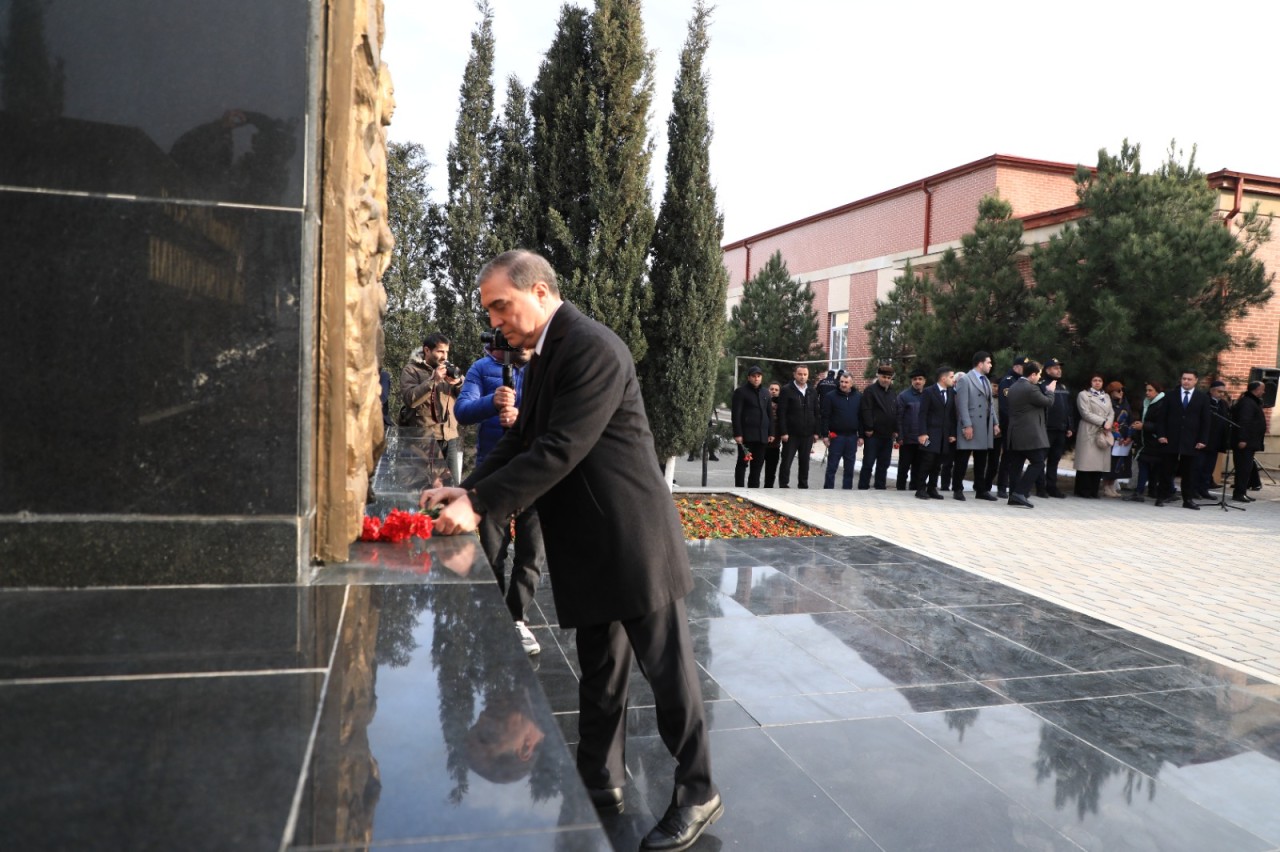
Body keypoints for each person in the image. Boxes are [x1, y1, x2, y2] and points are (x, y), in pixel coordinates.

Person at [421, 250, 721, 851]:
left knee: (669, 674)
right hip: (590, 542)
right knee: (601, 674)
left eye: (500, 305)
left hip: (632, 539)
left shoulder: (591, 347)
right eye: (489, 310)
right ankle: (601, 778)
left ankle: (697, 789)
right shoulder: (545, 353)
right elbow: (523, 439)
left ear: (538, 291)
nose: (495, 320)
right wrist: (470, 487)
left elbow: (560, 448)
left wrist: (479, 507)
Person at [455, 341, 544, 655]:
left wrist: (523, 420)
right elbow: (462, 412)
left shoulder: (543, 368)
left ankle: (517, 619)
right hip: (492, 477)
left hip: (535, 475)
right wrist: (492, 402)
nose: (520, 343)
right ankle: (493, 618)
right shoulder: (482, 368)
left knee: (531, 554)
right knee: (493, 553)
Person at [400, 332, 464, 488]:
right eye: (440, 351)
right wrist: (432, 381)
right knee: (430, 488)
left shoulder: (450, 369)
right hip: (425, 439)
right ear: (427, 350)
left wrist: (458, 383)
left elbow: (467, 396)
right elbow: (410, 399)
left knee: (453, 486)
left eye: (447, 352)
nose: (444, 356)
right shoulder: (411, 370)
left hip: (450, 437)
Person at [1004, 359, 1054, 508]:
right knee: (1038, 462)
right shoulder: (1030, 388)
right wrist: (1050, 391)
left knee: (1016, 465)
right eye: (1039, 375)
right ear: (1032, 375)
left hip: (1015, 433)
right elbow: (1047, 402)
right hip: (1029, 434)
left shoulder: (1014, 386)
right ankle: (1020, 493)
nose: (1039, 378)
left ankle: (1013, 495)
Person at [1161, 369, 1211, 510]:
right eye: (1184, 379)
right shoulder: (1171, 396)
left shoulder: (1202, 398)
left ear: (1196, 381)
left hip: (1191, 441)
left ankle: (1187, 500)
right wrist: (1161, 435)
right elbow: (1162, 418)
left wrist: (1203, 439)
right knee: (1166, 470)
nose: (1186, 381)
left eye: (1189, 379)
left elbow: (1206, 421)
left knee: (1188, 472)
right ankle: (1162, 496)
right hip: (1171, 439)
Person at [952, 351, 999, 501]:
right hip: (971, 424)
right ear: (980, 363)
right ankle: (957, 489)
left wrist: (995, 423)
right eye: (988, 362)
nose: (990, 365)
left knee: (981, 460)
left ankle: (981, 490)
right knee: (962, 459)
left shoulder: (985, 380)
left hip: (984, 425)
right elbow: (962, 405)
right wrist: (967, 425)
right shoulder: (965, 379)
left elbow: (990, 405)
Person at [915, 366, 956, 500]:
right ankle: (920, 488)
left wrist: (951, 433)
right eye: (951, 377)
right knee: (927, 461)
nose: (953, 379)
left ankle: (932, 488)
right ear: (943, 378)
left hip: (943, 436)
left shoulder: (950, 392)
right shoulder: (928, 392)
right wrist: (922, 433)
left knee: (938, 463)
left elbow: (951, 415)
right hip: (929, 435)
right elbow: (923, 414)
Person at [1129, 381, 1173, 505]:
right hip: (1146, 440)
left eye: (1150, 390)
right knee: (1145, 465)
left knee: (1152, 467)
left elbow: (1161, 424)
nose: (1147, 393)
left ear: (1157, 392)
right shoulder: (1147, 403)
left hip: (1156, 440)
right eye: (1146, 390)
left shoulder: (1162, 403)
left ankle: (1145, 491)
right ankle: (1143, 491)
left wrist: (1144, 426)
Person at [1036, 358, 1074, 498]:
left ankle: (1051, 487)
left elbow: (1068, 409)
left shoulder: (1062, 387)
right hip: (1046, 429)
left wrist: (1070, 426)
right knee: (1040, 459)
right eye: (1055, 367)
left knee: (1055, 459)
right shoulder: (1042, 385)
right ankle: (1040, 488)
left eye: (1059, 367)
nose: (1059, 370)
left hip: (1061, 429)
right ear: (1047, 370)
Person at [778, 364, 821, 488]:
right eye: (800, 374)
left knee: (804, 462)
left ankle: (803, 485)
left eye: (805, 374)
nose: (802, 377)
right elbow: (782, 412)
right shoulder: (787, 390)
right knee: (786, 461)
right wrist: (784, 431)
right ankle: (783, 484)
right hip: (791, 434)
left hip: (807, 434)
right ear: (794, 375)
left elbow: (817, 412)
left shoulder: (812, 390)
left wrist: (816, 432)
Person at [1073, 373, 1115, 499]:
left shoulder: (1106, 396)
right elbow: (1085, 413)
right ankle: (1083, 490)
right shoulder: (1084, 395)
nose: (1097, 382)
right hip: (1089, 430)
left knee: (1099, 463)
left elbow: (1111, 412)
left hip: (1103, 431)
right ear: (1090, 382)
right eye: (1095, 380)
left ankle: (1094, 490)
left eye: (1100, 380)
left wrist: (1108, 423)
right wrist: (1102, 422)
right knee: (1086, 462)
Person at [858, 364, 898, 490]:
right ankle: (863, 486)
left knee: (884, 462)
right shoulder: (870, 391)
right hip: (873, 433)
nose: (886, 380)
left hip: (888, 434)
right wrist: (868, 428)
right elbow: (866, 410)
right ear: (878, 376)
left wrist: (896, 429)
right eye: (883, 377)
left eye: (888, 377)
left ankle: (880, 486)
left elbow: (895, 411)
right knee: (869, 462)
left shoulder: (892, 392)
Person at [820, 372, 863, 489]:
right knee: (832, 466)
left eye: (846, 382)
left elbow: (861, 417)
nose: (843, 384)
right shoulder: (830, 396)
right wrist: (824, 435)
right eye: (842, 382)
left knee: (849, 467)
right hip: (836, 437)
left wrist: (861, 436)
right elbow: (825, 417)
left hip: (852, 437)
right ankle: (828, 490)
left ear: (851, 383)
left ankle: (847, 491)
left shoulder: (858, 397)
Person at [731, 366, 772, 487]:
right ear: (749, 377)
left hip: (762, 436)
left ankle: (754, 489)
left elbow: (769, 414)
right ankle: (739, 488)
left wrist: (771, 433)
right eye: (754, 376)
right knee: (743, 463)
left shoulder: (766, 393)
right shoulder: (741, 392)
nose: (756, 379)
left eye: (758, 376)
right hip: (746, 436)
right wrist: (738, 433)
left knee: (757, 464)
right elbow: (736, 414)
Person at [995, 355, 1027, 498]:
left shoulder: (1023, 382)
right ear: (1016, 367)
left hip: (1021, 426)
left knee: (1018, 458)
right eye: (1023, 367)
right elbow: (1005, 407)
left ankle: (1015, 487)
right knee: (1007, 457)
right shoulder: (1008, 381)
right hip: (1010, 425)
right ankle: (1002, 486)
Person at [1231, 379, 1267, 503]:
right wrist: (1242, 439)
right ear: (1256, 390)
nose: (1264, 392)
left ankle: (1242, 492)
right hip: (1245, 442)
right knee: (1243, 468)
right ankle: (1239, 493)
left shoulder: (1252, 402)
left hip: (1250, 442)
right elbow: (1244, 422)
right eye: (1262, 389)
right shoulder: (1247, 403)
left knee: (1246, 468)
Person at [1197, 380, 1231, 496]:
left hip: (1216, 441)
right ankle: (1194, 490)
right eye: (1219, 391)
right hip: (1203, 440)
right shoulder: (1204, 401)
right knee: (1198, 467)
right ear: (1212, 391)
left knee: (1209, 468)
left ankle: (1204, 489)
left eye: (1223, 392)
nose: (1221, 394)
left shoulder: (1223, 404)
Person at [895, 368, 927, 491]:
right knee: (904, 466)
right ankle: (900, 489)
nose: (917, 381)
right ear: (911, 381)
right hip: (907, 439)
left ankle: (915, 488)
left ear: (925, 381)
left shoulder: (928, 395)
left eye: (920, 379)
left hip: (923, 439)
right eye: (915, 379)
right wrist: (900, 436)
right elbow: (899, 418)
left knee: (919, 466)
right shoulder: (904, 396)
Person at [1102, 381, 1133, 498]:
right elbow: (1107, 421)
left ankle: (1112, 486)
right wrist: (1116, 435)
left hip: (1123, 438)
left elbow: (1130, 419)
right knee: (1109, 462)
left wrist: (1129, 436)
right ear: (1111, 392)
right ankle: (1106, 486)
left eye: (1122, 390)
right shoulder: (1108, 403)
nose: (1121, 393)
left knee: (1118, 463)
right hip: (1111, 436)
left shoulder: (1125, 403)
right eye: (1118, 390)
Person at [763, 381, 783, 488]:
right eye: (772, 389)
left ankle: (768, 489)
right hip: (761, 442)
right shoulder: (763, 402)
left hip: (774, 444)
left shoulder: (783, 406)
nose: (774, 392)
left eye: (776, 390)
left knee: (771, 471)